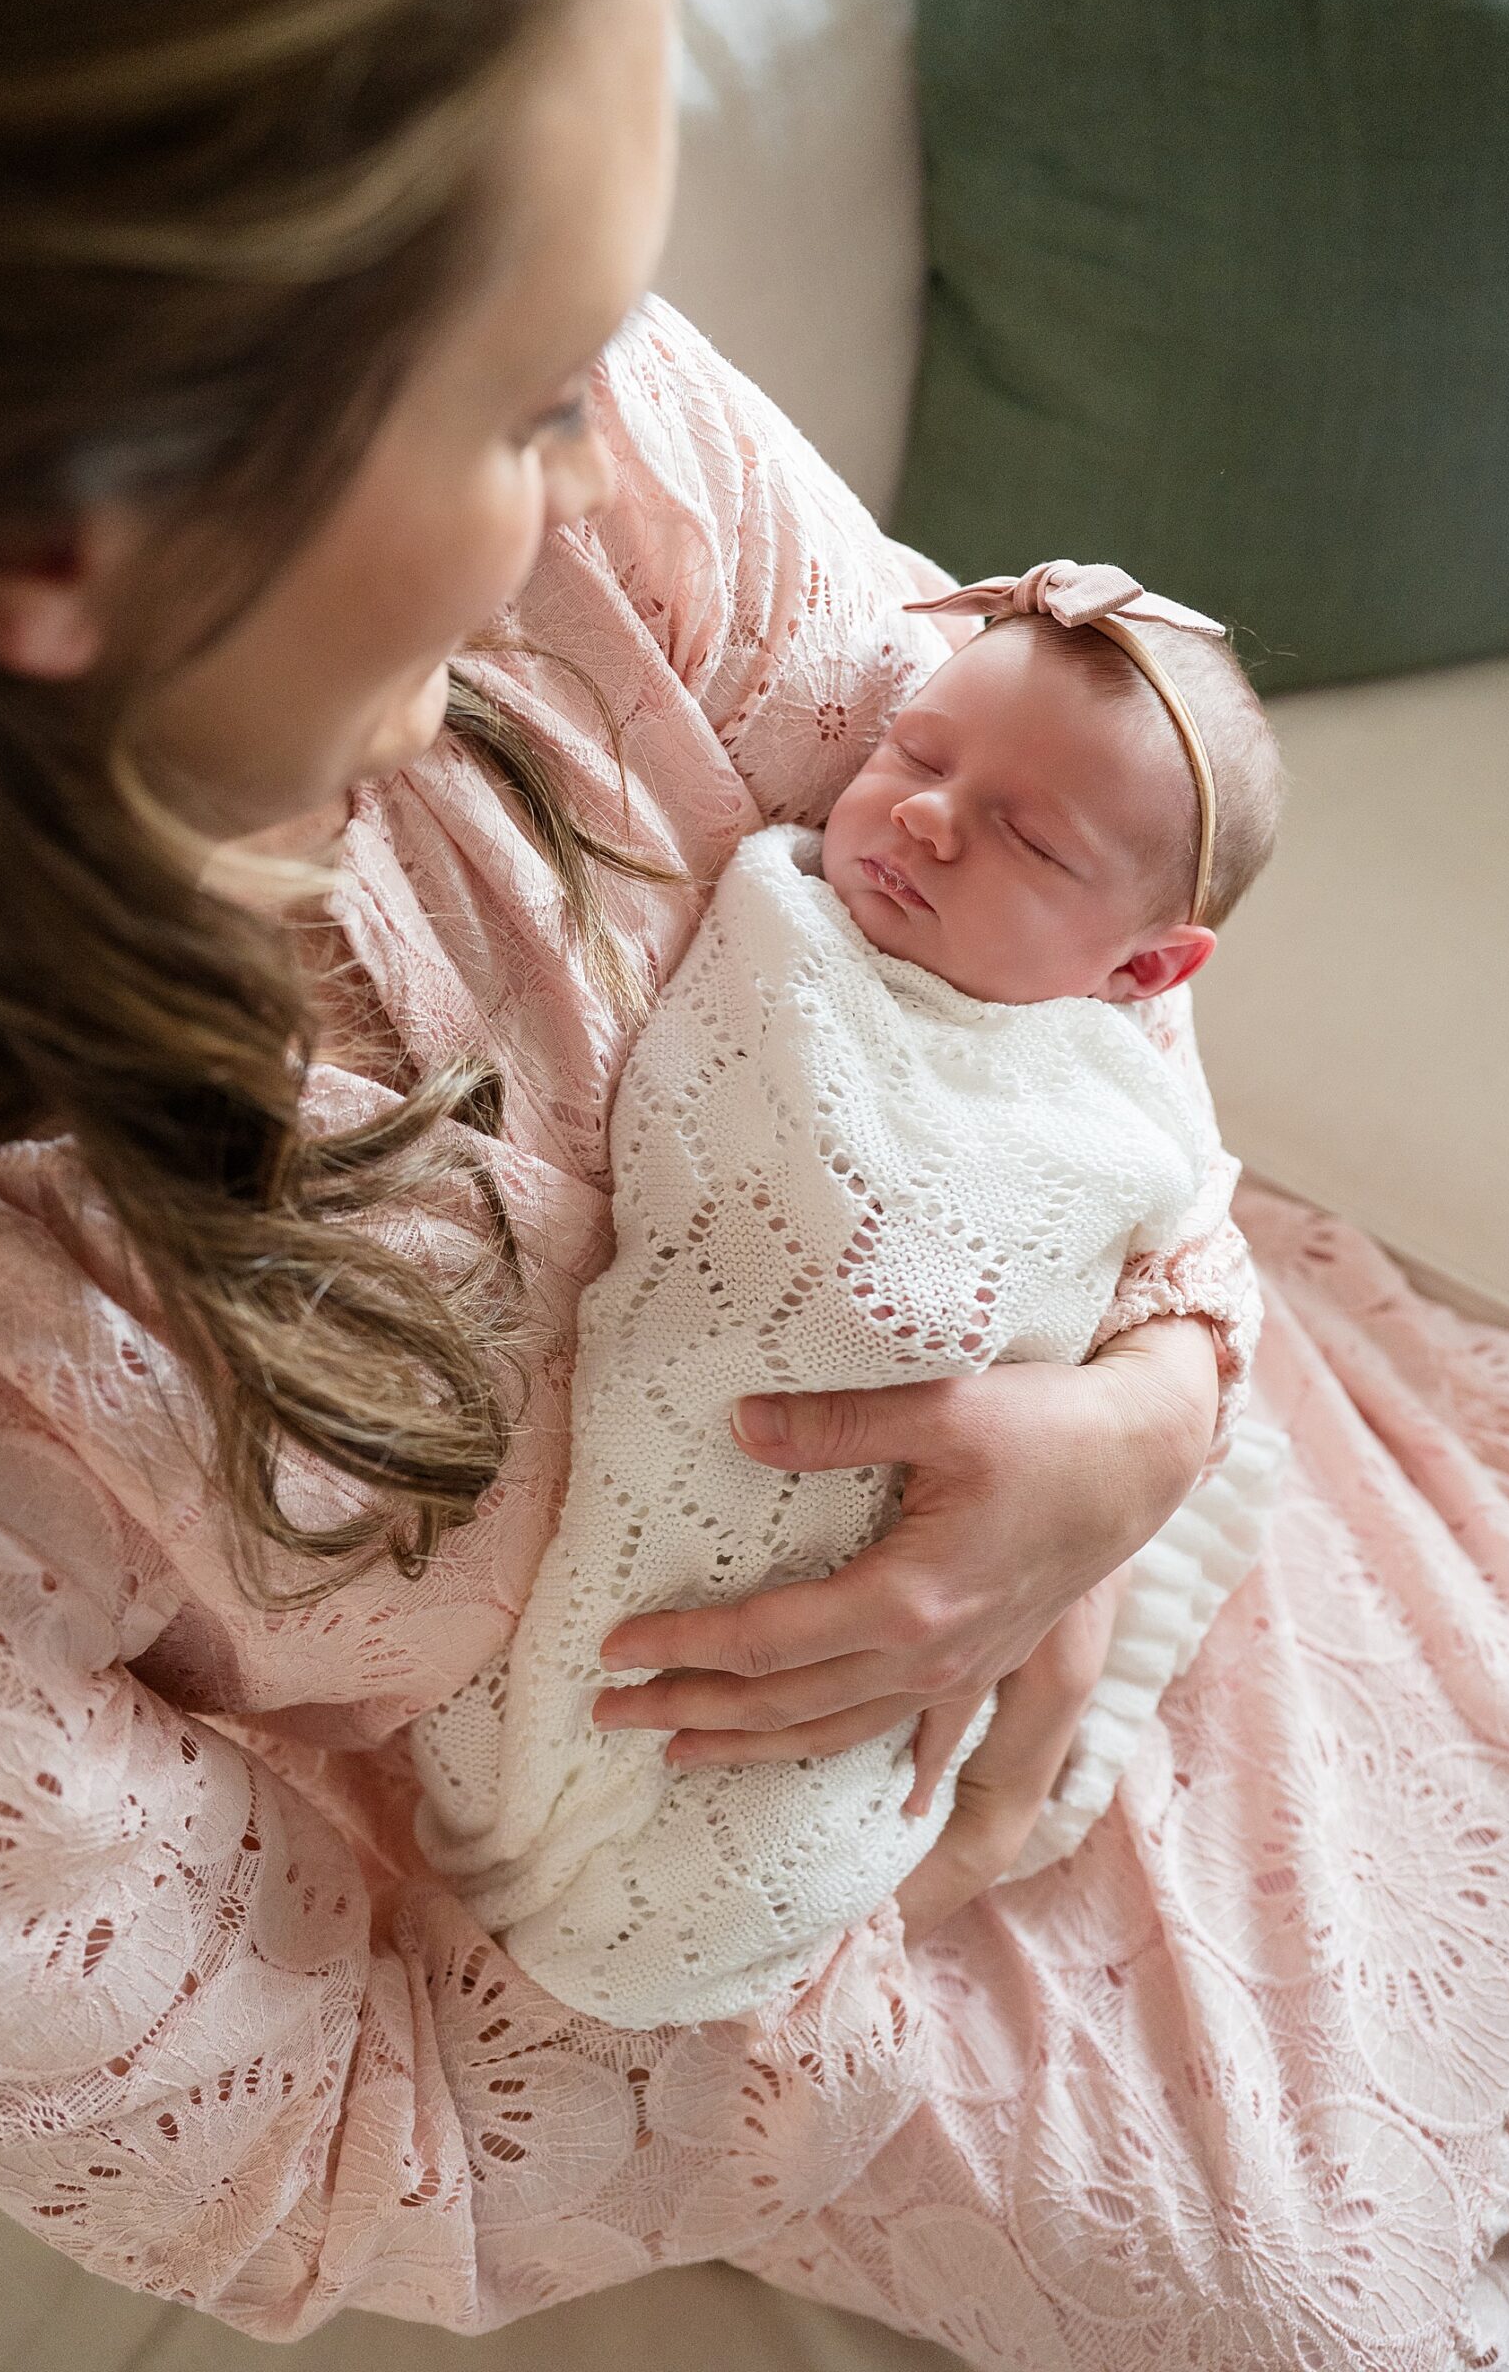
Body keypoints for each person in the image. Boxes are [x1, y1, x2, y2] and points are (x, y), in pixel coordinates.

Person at [0, 0, 1509, 2364]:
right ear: (75, 547)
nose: (604, 453)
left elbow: (1087, 859)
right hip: (752, 1953)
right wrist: (804, 1899)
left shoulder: (584, 484)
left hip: (1188, 1495)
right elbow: (312, 2116)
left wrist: (1145, 1415)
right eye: (533, 399)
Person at [409, 558, 1292, 2029]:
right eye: (917, 754)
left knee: (798, 1827)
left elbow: (1169, 1245)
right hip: (682, 1482)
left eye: (1030, 839)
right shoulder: (788, 925)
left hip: (950, 1528)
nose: (930, 818)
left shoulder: (1109, 1093)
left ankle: (953, 1851)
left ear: (1147, 967)